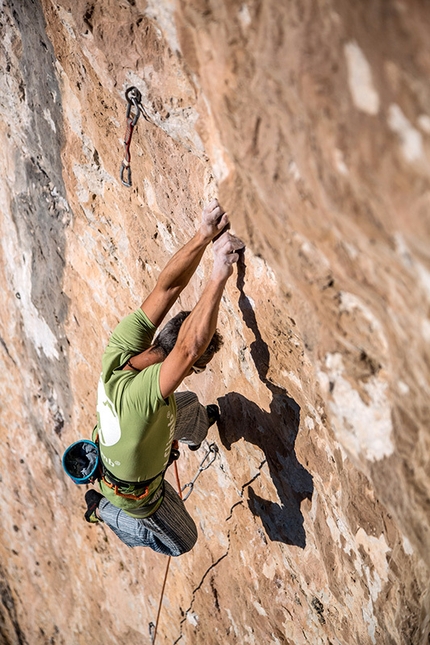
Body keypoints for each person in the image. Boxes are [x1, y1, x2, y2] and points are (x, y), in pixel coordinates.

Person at [84, 199, 244, 556]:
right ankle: (104, 511)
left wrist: (205, 233)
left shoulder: (121, 349)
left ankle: (197, 429)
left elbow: (167, 289)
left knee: (187, 408)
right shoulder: (145, 400)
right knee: (182, 541)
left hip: (135, 435)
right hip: (136, 493)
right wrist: (219, 271)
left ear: (161, 335)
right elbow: (188, 349)